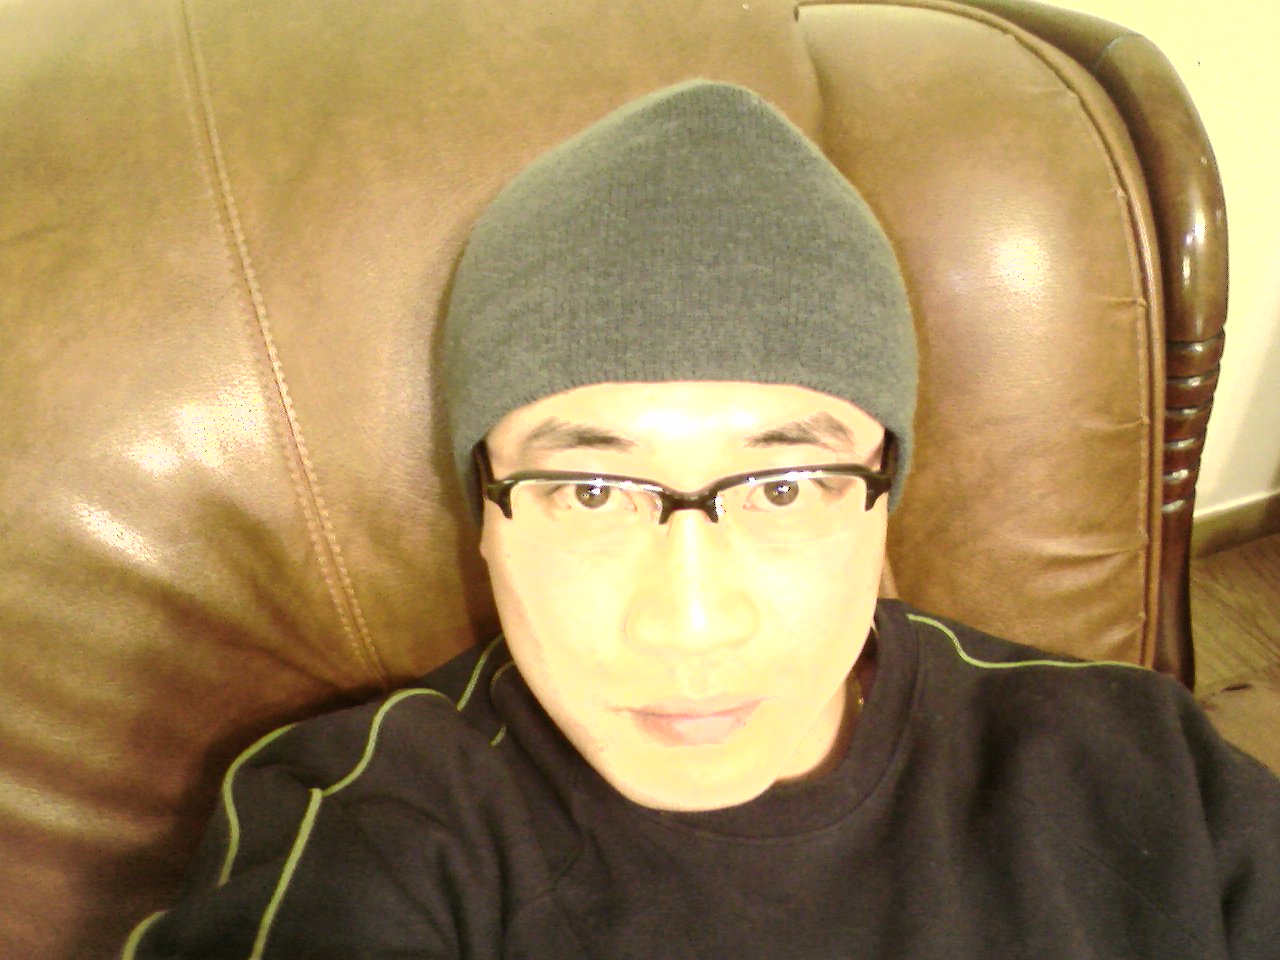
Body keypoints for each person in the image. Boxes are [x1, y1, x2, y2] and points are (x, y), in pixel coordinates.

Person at [124, 80, 1280, 959]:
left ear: (882, 499)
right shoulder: (366, 826)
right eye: (589, 490)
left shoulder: (1138, 764)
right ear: (484, 512)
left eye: (782, 487)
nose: (688, 624)